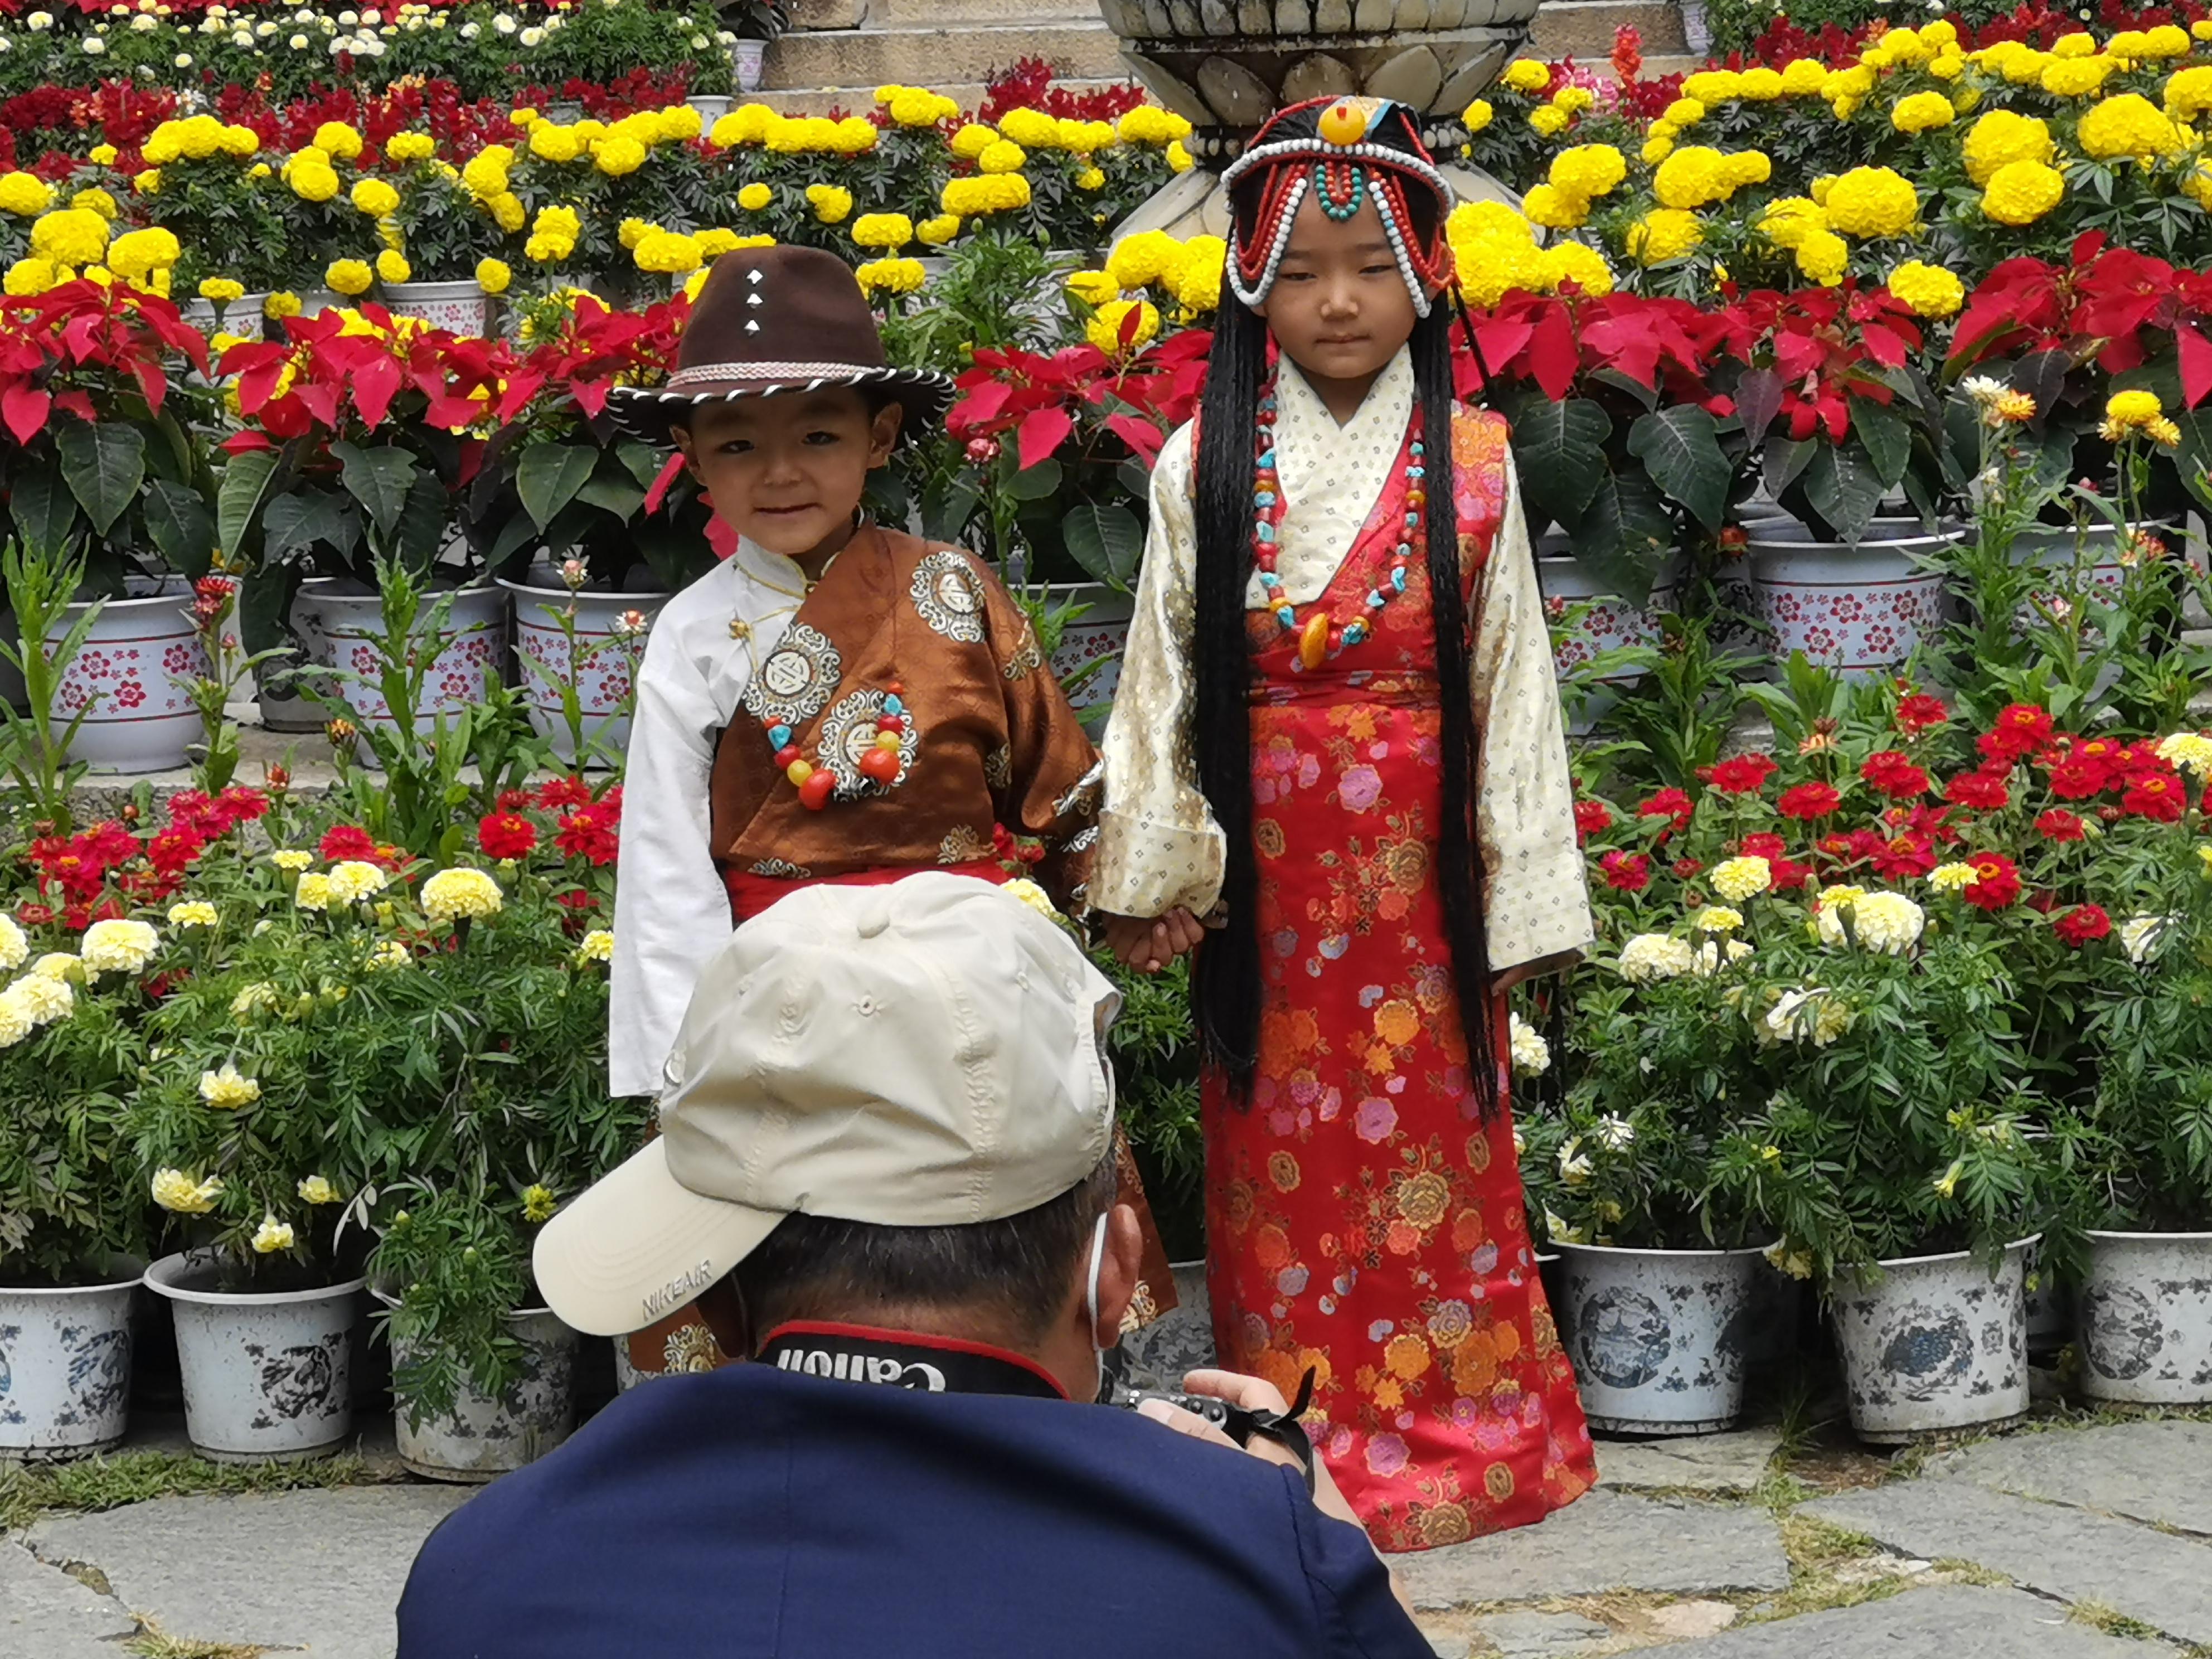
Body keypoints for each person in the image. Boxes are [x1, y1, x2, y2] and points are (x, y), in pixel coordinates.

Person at [395, 876, 1435, 1659]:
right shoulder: (1259, 1585)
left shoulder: (485, 1581)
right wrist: (1314, 1546)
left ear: (709, 1297)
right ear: (1115, 1277)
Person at [1092, 97, 1599, 1550]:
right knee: (1276, 1153)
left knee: (1439, 1152)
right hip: (1270, 898)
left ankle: (1470, 1430)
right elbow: (1160, 680)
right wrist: (1159, 864)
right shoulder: (1200, 465)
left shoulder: (1481, 464)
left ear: (1427, 275)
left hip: (1420, 892)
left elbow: (1517, 699)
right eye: (1304, 266)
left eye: (1368, 266)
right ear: (1252, 274)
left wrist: (1525, 904)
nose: (1336, 299)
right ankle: (1287, 1425)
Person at [604, 246, 1172, 1372]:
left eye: (818, 435)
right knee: (800, 1226)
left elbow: (1052, 773)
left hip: (964, 980)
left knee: (995, 1212)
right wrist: (684, 1055)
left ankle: (1030, 1400)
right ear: (693, 464)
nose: (780, 472)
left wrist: (1124, 897)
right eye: (737, 446)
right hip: (777, 988)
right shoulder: (689, 635)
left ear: (879, 438)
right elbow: (666, 862)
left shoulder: (952, 591)